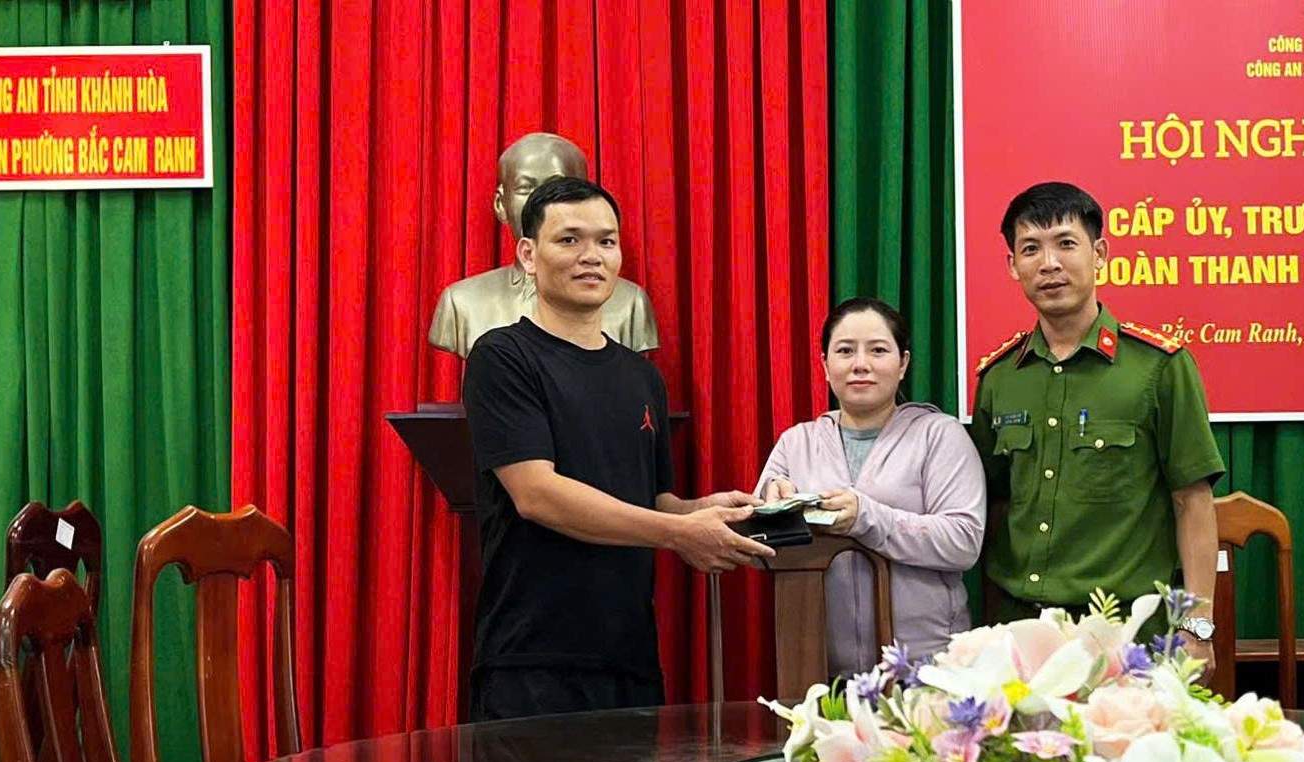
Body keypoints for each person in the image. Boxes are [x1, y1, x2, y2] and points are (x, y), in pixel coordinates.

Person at [462, 176, 773, 721]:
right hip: (533, 658)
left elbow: (654, 501)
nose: (592, 257)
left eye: (606, 241)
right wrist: (679, 533)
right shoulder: (502, 356)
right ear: (528, 255)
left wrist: (705, 511)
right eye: (570, 240)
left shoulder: (641, 377)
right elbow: (537, 494)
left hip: (629, 656)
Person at [970, 181, 1224, 673]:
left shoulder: (1158, 368)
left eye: (1066, 243)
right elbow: (996, 506)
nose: (1049, 263)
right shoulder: (999, 379)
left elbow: (1192, 502)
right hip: (1023, 638)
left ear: (1099, 252)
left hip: (1127, 638)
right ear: (1012, 266)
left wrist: (1196, 627)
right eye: (1030, 249)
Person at [754, 297, 986, 675]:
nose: (860, 364)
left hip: (927, 672)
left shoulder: (939, 436)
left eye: (878, 350)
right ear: (825, 366)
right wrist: (774, 514)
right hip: (819, 674)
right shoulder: (796, 444)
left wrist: (867, 517)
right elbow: (758, 552)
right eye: (845, 351)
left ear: (903, 364)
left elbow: (963, 541)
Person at [429, 132, 658, 357]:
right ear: (501, 204)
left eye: (557, 188)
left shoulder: (631, 304)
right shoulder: (461, 302)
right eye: (525, 188)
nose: (539, 201)